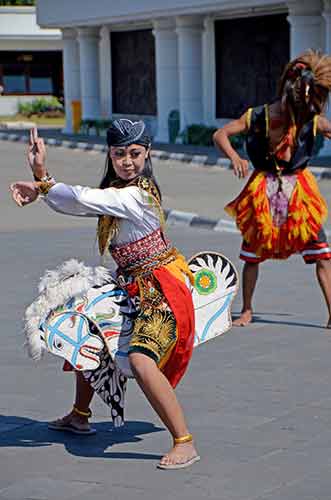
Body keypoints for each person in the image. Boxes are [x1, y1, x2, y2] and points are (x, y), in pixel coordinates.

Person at [10, 119, 200, 470]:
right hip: (130, 283)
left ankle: (183, 440)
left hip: (160, 290)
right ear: (110, 155)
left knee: (141, 362)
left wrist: (43, 178)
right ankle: (80, 415)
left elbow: (86, 198)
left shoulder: (136, 194)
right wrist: (42, 186)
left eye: (135, 154)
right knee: (85, 330)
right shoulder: (118, 189)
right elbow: (83, 203)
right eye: (119, 154)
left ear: (147, 154)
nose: (127, 161)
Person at [213, 49, 331, 327]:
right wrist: (235, 157)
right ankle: (247, 310)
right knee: (253, 255)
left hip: (299, 192)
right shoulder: (257, 116)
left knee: (323, 253)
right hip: (262, 190)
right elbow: (221, 134)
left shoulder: (310, 119)